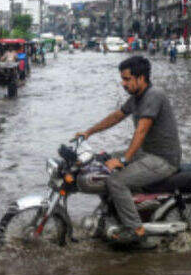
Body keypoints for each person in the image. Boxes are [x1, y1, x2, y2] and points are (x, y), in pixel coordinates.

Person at [73, 55, 182, 247]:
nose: (123, 83)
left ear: (141, 78)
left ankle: (135, 230)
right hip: (147, 154)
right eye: (122, 79)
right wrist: (88, 132)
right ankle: (113, 213)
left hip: (163, 160)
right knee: (101, 160)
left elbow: (141, 130)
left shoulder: (154, 95)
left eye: (126, 79)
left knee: (116, 181)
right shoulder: (136, 98)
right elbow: (116, 117)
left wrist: (124, 160)